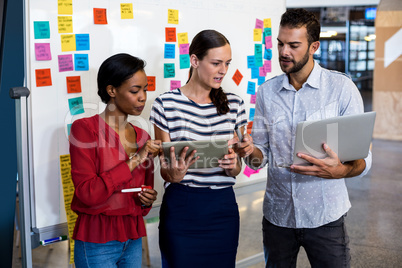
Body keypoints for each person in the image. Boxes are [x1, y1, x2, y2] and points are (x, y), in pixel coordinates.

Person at [234, 8, 372, 268]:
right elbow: (259, 159)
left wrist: (340, 170)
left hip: (325, 216)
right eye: (280, 44)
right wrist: (250, 151)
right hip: (277, 216)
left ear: (314, 46)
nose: (284, 52)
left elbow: (364, 158)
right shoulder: (266, 92)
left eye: (294, 45)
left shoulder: (341, 89)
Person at [149, 29, 248, 267]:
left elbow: (238, 166)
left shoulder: (235, 104)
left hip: (222, 208)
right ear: (194, 61)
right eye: (216, 63)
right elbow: (165, 170)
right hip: (182, 207)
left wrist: (234, 165)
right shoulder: (165, 104)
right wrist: (175, 173)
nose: (223, 70)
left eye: (227, 63)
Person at [69, 53, 161, 268]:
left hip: (133, 236)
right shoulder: (84, 130)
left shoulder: (143, 137)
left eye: (145, 89)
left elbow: (143, 194)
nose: (142, 97)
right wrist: (136, 159)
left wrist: (147, 198)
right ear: (111, 90)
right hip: (96, 240)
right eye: (134, 91)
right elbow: (88, 193)